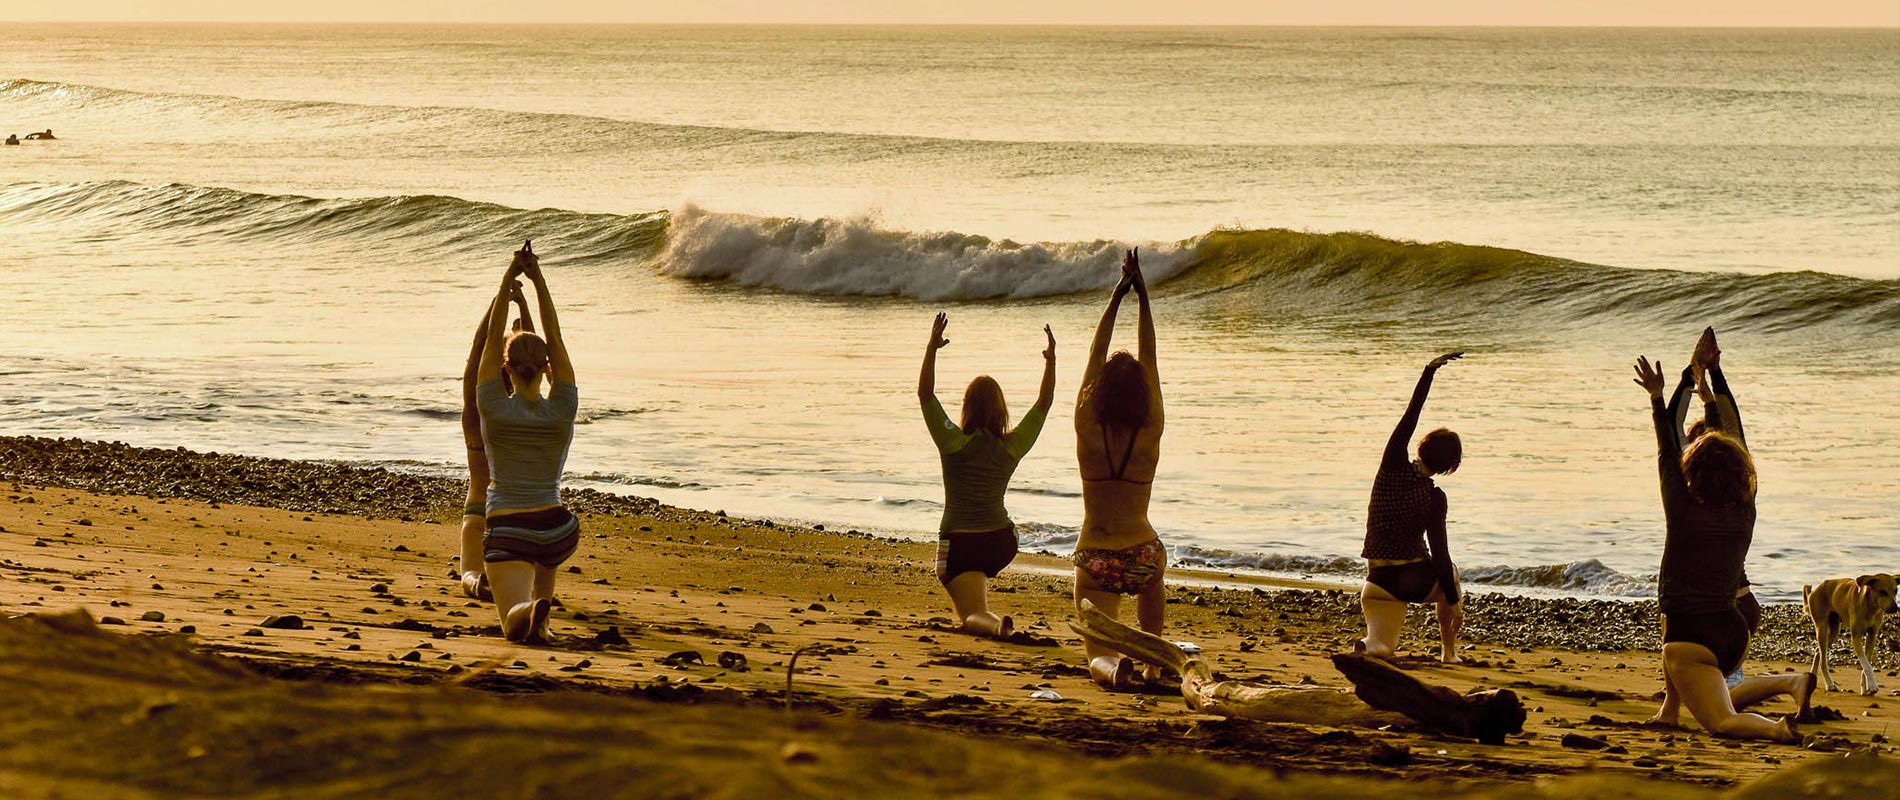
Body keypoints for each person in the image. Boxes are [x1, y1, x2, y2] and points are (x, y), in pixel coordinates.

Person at [1646, 330, 1814, 727]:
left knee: (1721, 719)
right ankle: (1790, 682)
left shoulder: (1681, 508)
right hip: (1734, 630)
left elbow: (1667, 443)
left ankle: (1777, 731)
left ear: (1692, 467)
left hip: (1691, 634)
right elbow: (1735, 438)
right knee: (1717, 690)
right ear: (1741, 469)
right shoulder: (1745, 508)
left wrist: (1670, 388)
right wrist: (1716, 377)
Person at [918, 312, 1055, 639]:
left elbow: (926, 395)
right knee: (974, 587)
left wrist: (931, 348)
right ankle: (986, 614)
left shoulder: (952, 441)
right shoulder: (1010, 447)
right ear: (1001, 409)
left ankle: (993, 624)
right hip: (1001, 542)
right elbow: (1044, 404)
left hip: (960, 541)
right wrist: (1051, 362)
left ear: (967, 406)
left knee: (971, 616)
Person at [476, 241, 579, 644]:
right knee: (544, 560)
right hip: (558, 527)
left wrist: (508, 281)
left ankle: (529, 612)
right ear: (547, 367)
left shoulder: (493, 405)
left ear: (506, 368)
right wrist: (538, 279)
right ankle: (544, 619)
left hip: (509, 525)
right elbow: (555, 335)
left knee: (512, 623)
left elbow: (489, 341)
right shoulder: (563, 407)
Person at [1073, 249, 1168, 688]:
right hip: (1143, 552)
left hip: (1096, 554)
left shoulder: (1086, 426)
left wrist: (1117, 295)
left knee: (1096, 652)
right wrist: (1144, 298)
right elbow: (1149, 359)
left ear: (1101, 392)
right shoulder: (1150, 430)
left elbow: (1095, 355)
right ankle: (1150, 663)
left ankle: (1112, 669)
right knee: (1153, 577)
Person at [1357, 352, 1467, 663]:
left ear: (1421, 446)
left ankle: (1368, 645)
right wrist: (1455, 601)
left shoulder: (1390, 466)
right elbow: (1442, 557)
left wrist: (1428, 372)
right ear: (1449, 467)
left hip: (1375, 582)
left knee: (1381, 645)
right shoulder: (1435, 498)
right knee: (1453, 574)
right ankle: (1449, 652)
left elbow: (1411, 415)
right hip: (1411, 581)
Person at [456, 279, 535, 600]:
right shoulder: (527, 411)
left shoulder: (476, 413)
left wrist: (500, 298)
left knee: (469, 573)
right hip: (517, 517)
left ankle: (477, 583)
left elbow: (479, 347)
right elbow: (534, 354)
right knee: (522, 579)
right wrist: (524, 310)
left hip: (478, 511)